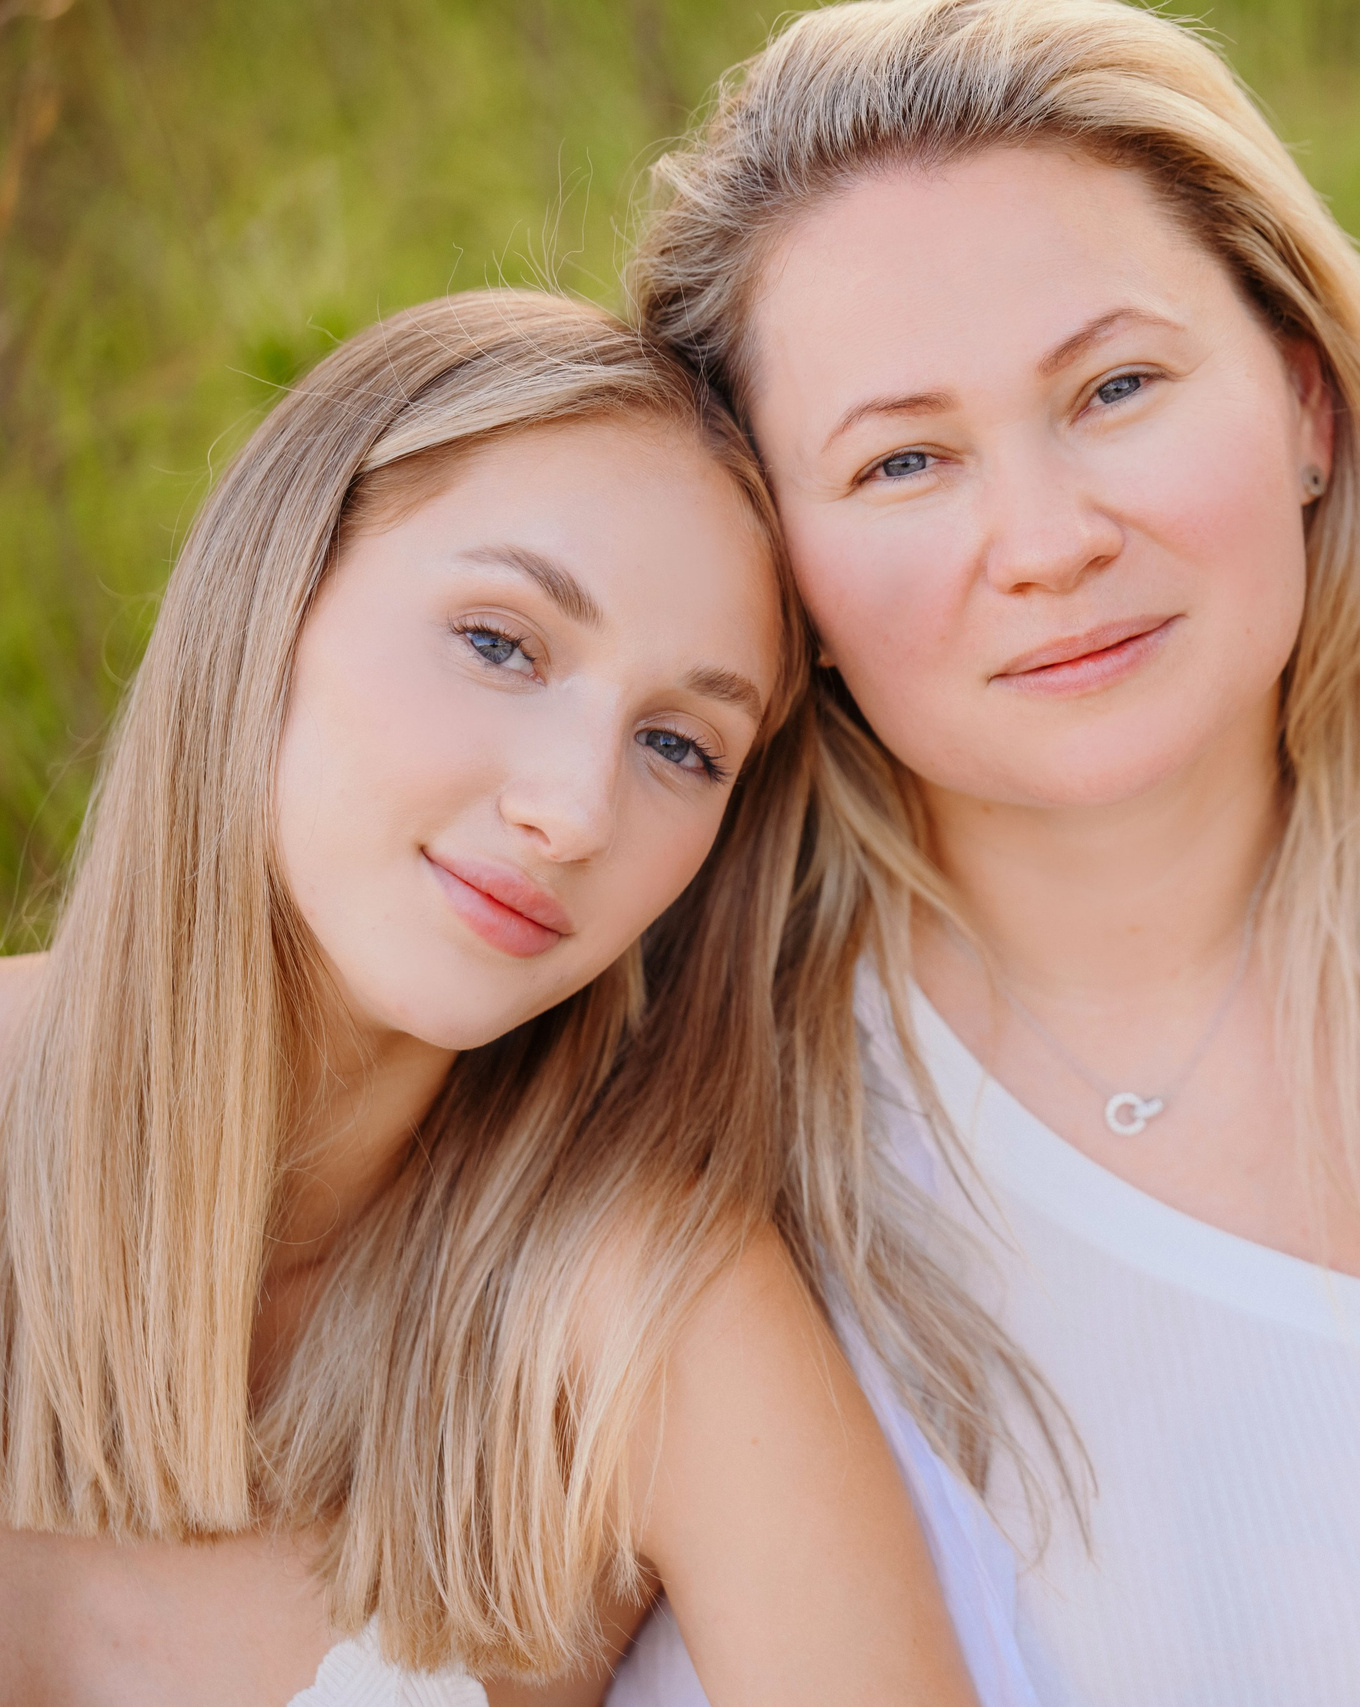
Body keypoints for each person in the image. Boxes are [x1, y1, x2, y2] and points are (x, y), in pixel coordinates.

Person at [607, 2, 1360, 1702]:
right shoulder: (659, 1131)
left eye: (1117, 387)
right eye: (904, 460)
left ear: (1305, 401)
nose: (1052, 543)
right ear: (777, 565)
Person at [0, 290, 980, 1707]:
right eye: (502, 644)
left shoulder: (646, 1323)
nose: (576, 811)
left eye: (678, 744)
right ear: (271, 587)